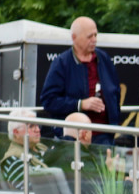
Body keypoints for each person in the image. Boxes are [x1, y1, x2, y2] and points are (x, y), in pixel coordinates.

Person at [40, 17, 120, 145]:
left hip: (104, 134)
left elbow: (115, 91)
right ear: (74, 37)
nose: (94, 39)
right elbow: (48, 100)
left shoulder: (104, 58)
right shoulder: (62, 63)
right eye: (89, 36)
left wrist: (114, 123)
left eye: (95, 35)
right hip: (74, 137)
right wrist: (80, 104)